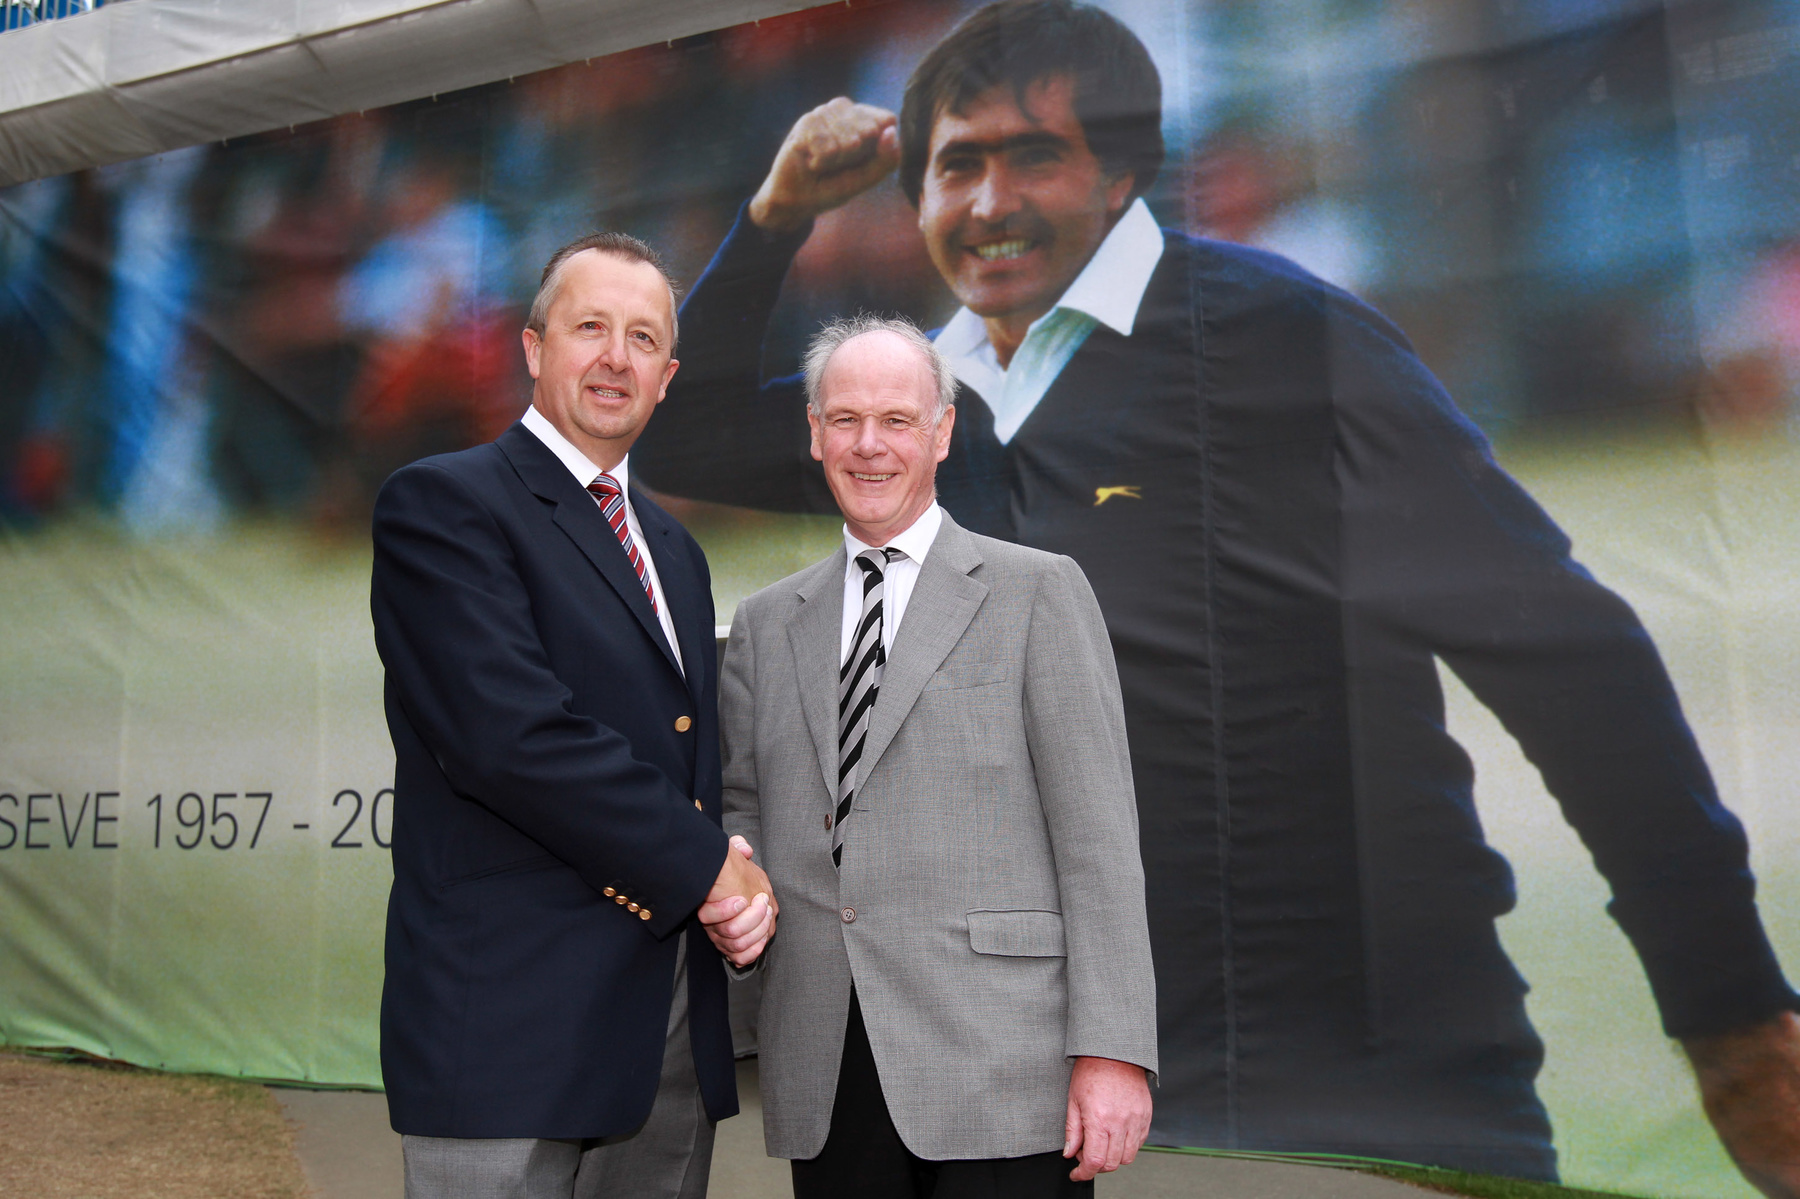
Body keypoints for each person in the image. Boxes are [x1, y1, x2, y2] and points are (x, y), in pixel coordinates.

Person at [631, 0, 1800, 1188]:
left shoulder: (1277, 341)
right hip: (1065, 1079)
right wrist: (775, 217)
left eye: (1033, 155)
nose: (988, 202)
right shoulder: (931, 404)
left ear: (1124, 171)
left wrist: (1731, 1012)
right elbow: (685, 436)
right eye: (958, 165)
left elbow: (1567, 655)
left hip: (1362, 1069)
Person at [369, 231, 778, 1199]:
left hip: (665, 1038)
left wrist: (735, 860)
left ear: (667, 378)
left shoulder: (675, 551)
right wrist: (707, 863)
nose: (615, 357)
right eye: (590, 326)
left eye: (643, 338)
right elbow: (508, 738)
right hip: (510, 1027)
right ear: (533, 347)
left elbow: (687, 758)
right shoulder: (444, 505)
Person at [717, 313, 1157, 1195]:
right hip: (826, 1065)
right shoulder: (764, 625)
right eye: (845, 419)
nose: (868, 444)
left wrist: (1113, 1051)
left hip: (1005, 1064)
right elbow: (744, 817)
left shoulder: (1038, 592)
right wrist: (736, 894)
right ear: (814, 432)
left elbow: (1099, 844)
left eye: (897, 419)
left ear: (943, 431)